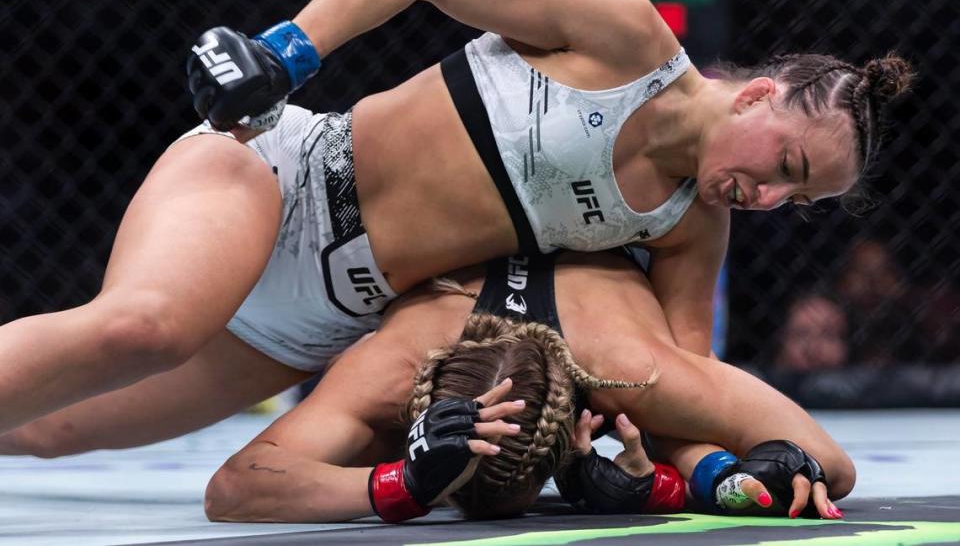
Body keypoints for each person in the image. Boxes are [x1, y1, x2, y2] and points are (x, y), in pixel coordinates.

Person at [0, 0, 910, 434]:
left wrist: (673, 461)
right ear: (755, 94)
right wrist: (285, 55)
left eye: (800, 201)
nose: (770, 199)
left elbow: (681, 383)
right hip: (278, 176)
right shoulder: (620, 31)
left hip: (311, 326)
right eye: (786, 167)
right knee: (143, 326)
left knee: (39, 429)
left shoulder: (685, 226)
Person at [2, 250, 852, 522]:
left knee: (672, 430)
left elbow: (825, 463)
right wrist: (399, 480)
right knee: (47, 422)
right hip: (331, 259)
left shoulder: (630, 365)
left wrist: (690, 479)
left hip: (619, 273)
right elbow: (231, 490)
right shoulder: (391, 364)